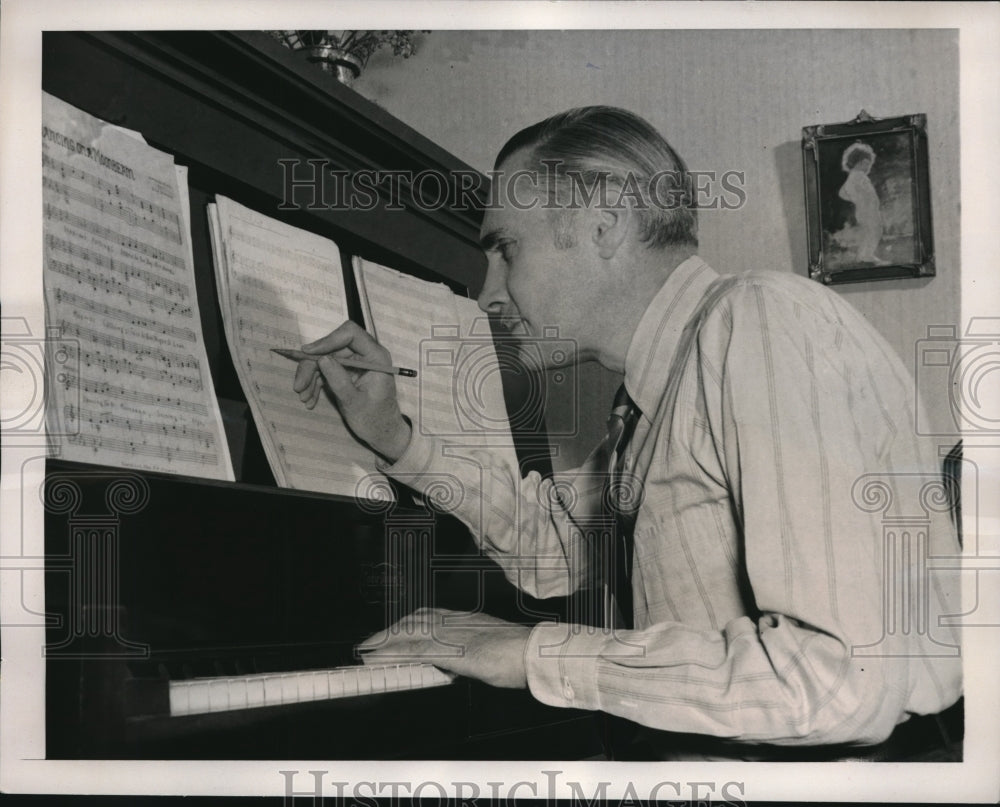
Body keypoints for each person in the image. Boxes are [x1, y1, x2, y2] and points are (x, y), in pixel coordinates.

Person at [292, 107, 962, 760]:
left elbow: (836, 682)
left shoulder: (758, 324)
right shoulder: (653, 394)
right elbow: (556, 550)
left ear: (603, 225)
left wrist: (529, 653)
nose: (486, 295)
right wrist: (394, 436)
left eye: (504, 248)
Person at [833, 140, 887, 265]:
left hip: (867, 209)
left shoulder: (856, 176)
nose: (868, 167)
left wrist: (857, 198)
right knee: (875, 231)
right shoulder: (858, 176)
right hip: (867, 210)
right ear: (857, 163)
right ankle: (867, 255)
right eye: (866, 163)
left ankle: (862, 256)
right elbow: (844, 192)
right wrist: (858, 199)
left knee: (870, 232)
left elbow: (843, 192)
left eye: (868, 164)